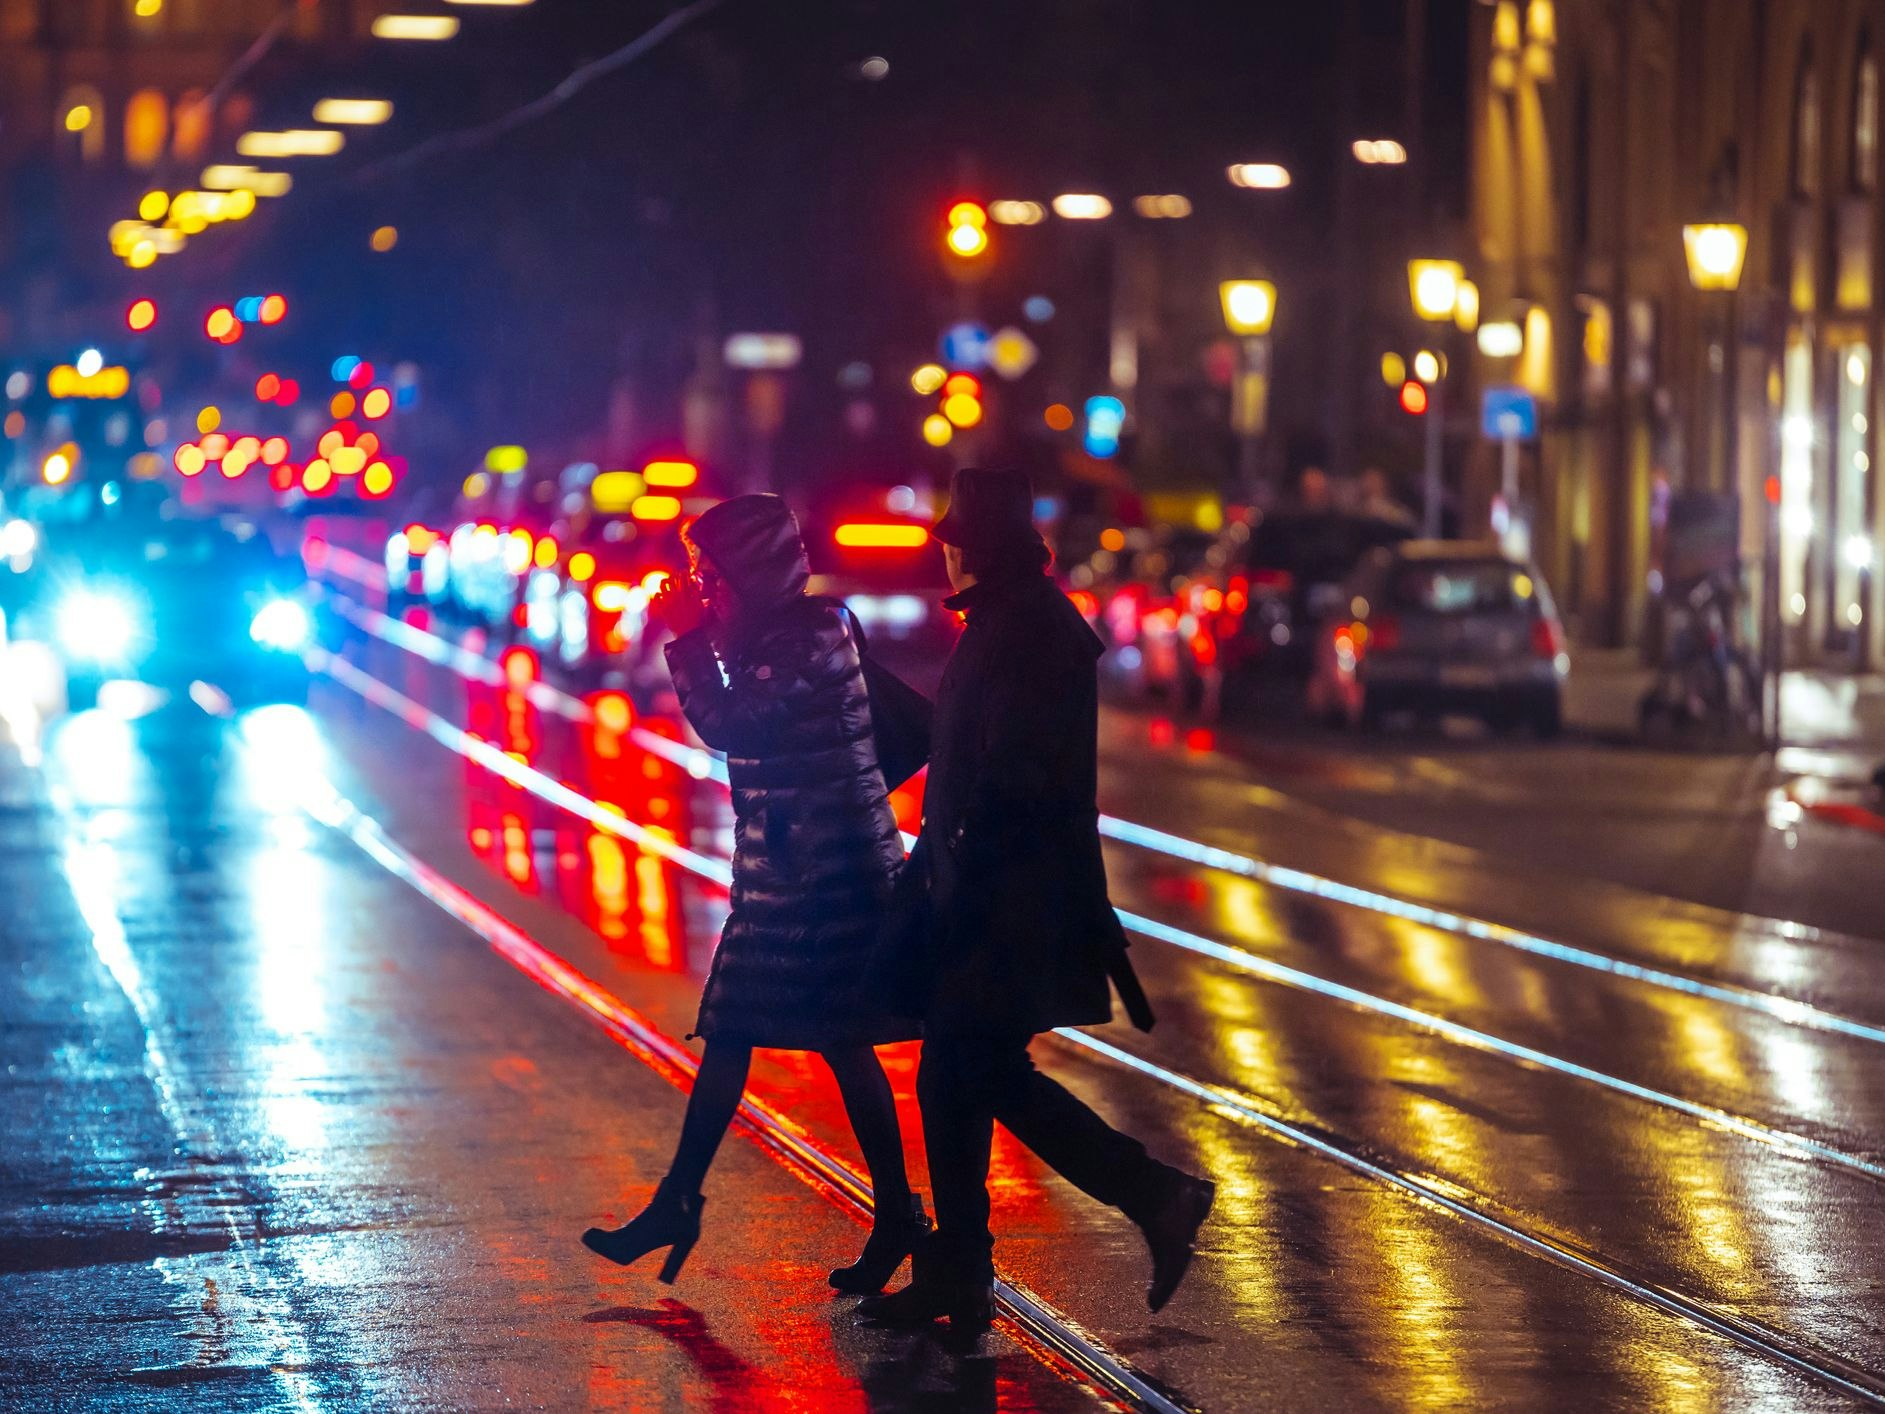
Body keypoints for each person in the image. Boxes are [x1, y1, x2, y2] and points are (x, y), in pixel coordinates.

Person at [860, 467, 1215, 1334]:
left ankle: (1153, 1194)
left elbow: (1013, 774)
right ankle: (963, 1271)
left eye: (951, 542)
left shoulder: (1024, 631)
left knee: (974, 1067)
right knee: (954, 1072)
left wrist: (965, 872)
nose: (943, 558)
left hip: (1008, 901)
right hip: (994, 892)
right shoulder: (1012, 621)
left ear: (971, 549)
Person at [582, 493, 928, 1292]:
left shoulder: (807, 633)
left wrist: (687, 640)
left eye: (710, 572)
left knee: (836, 1039)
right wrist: (702, 634)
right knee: (740, 1028)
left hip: (832, 875)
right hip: (785, 875)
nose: (700, 586)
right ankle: (685, 1200)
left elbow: (735, 724)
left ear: (751, 569)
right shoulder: (773, 634)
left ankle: (894, 1217)